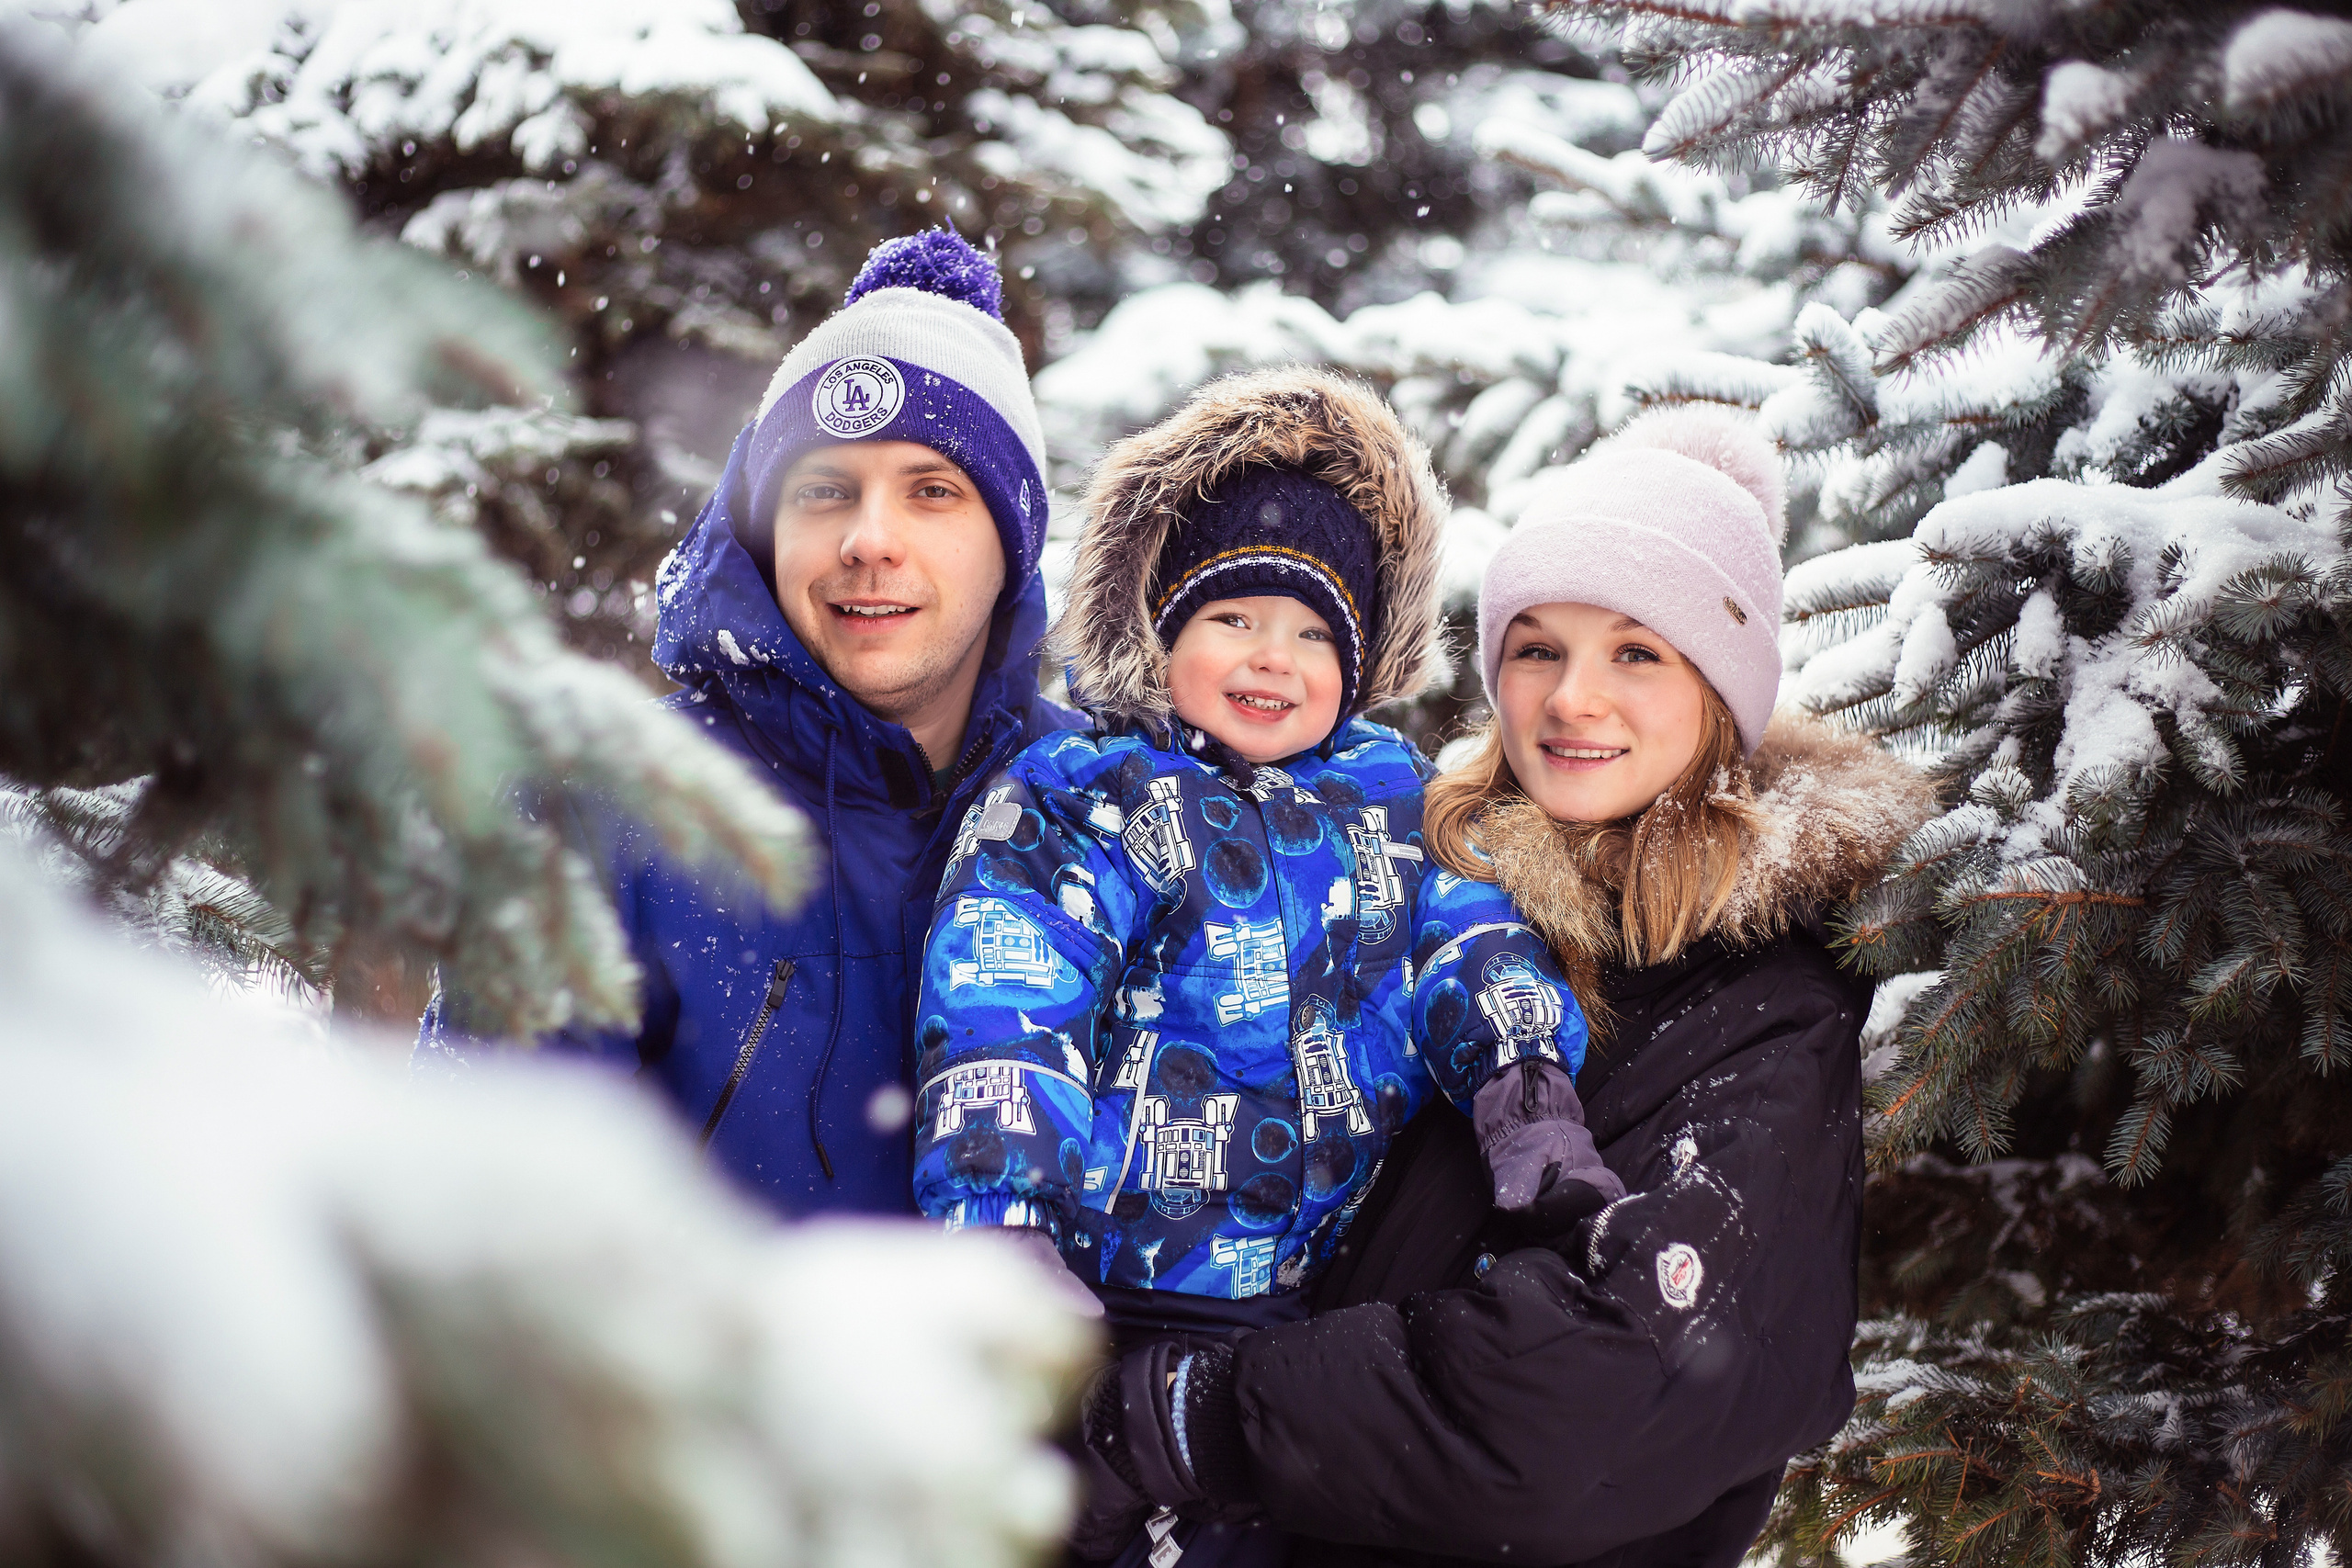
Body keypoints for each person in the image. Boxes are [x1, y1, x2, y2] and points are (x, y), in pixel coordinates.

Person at [1070, 406, 1939, 1566]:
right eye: (1539, 648)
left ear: (1723, 692)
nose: (1574, 698)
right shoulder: (1419, 899)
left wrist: (1194, 1413)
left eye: (1638, 650)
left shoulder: (1765, 1006)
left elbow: (1593, 1400)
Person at [911, 366, 1621, 1565]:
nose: (1271, 658)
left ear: (1361, 657)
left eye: (1310, 631)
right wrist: (1002, 1219)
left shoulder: (1395, 795)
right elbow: (1008, 995)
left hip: (1306, 1305)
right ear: (1162, 628)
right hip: (1100, 1300)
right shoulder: (1089, 792)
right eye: (1232, 618)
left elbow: (1471, 939)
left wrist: (1524, 1090)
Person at [417, 229, 1079, 1216]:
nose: (867, 541)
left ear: (1012, 542)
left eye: (932, 491)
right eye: (824, 491)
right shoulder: (607, 806)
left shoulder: (1109, 808)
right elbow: (485, 1216)